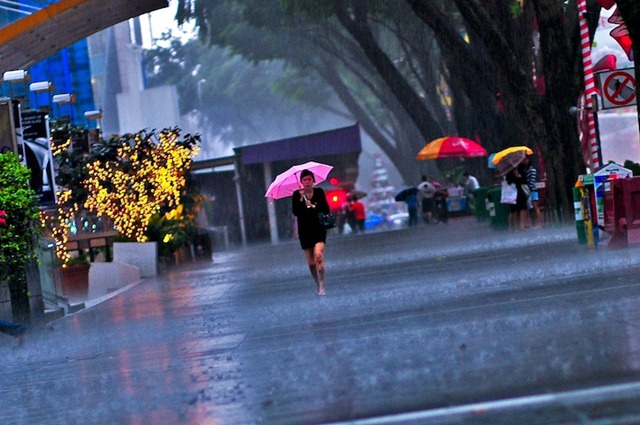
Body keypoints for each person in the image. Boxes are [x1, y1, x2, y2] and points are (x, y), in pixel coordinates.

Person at [292, 169, 331, 295]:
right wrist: (301, 199)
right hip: (305, 231)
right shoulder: (296, 194)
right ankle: (317, 284)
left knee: (318, 255)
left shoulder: (319, 192)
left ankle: (322, 286)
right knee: (311, 262)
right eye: (304, 180)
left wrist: (313, 205)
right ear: (301, 182)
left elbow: (326, 209)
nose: (307, 182)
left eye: (309, 179)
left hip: (318, 228)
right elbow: (296, 212)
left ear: (313, 180)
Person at [505, 165, 528, 231]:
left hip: (518, 191)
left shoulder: (520, 168)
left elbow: (523, 179)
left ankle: (521, 226)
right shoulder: (509, 171)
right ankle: (518, 226)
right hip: (514, 192)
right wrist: (516, 176)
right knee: (516, 209)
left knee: (520, 208)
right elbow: (509, 181)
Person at [523, 155, 542, 229]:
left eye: (525, 160)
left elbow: (532, 180)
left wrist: (529, 187)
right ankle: (534, 223)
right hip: (527, 191)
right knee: (531, 209)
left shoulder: (532, 169)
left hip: (532, 190)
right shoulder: (525, 170)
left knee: (535, 207)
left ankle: (539, 223)